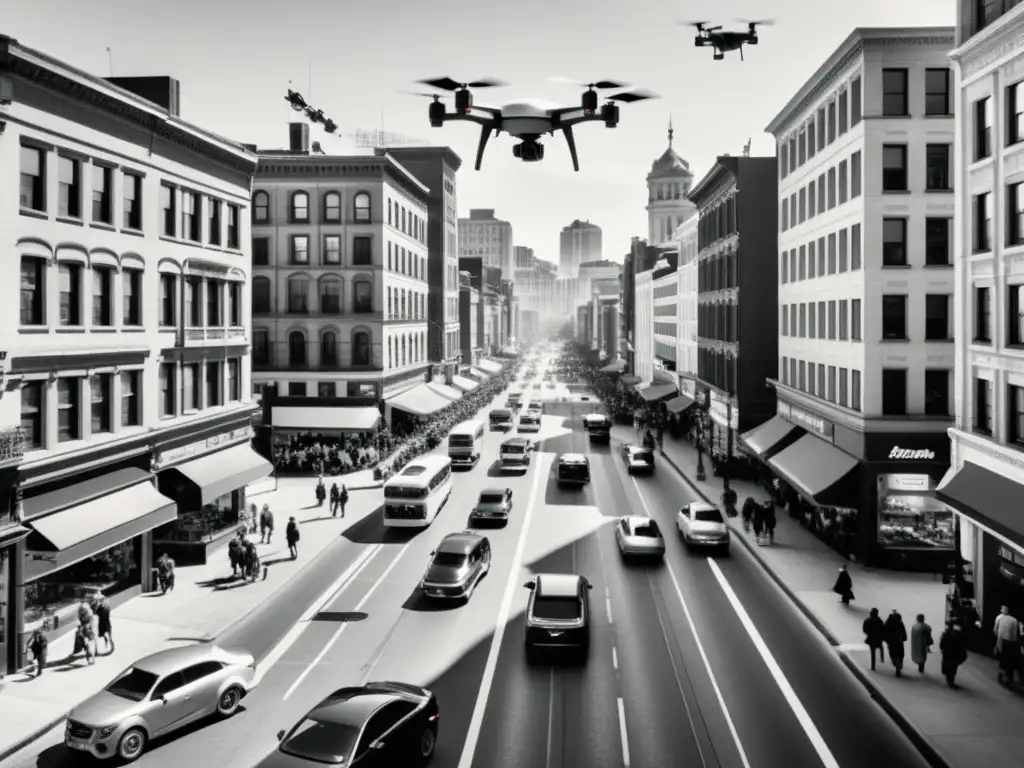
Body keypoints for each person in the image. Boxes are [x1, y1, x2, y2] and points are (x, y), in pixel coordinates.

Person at [993, 605, 1021, 685]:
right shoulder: (1014, 621)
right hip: (1009, 642)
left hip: (1000, 640)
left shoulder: (1000, 618)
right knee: (1010, 661)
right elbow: (1014, 635)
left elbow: (995, 630)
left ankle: (1001, 676)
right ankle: (1009, 678)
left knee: (1002, 660)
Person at [940, 621, 968, 688]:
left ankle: (949, 680)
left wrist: (942, 648)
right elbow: (963, 644)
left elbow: (942, 644)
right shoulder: (959, 634)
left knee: (947, 666)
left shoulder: (946, 634)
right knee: (953, 667)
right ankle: (951, 681)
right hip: (955, 654)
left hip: (947, 653)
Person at [884, 609, 907, 677]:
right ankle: (898, 666)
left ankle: (897, 666)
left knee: (894, 655)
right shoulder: (899, 623)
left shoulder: (889, 623)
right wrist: (904, 638)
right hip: (898, 642)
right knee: (899, 656)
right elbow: (903, 632)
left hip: (892, 643)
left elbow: (885, 632)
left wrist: (887, 640)